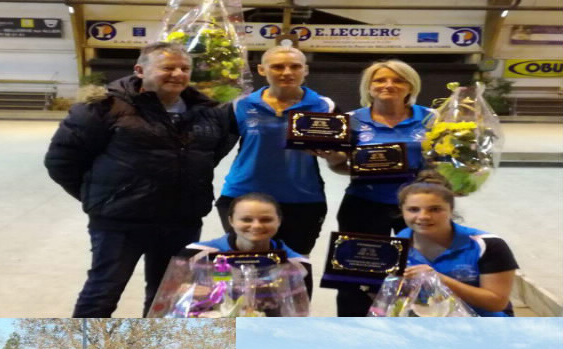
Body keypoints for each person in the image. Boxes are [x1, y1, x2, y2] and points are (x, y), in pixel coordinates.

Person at [44, 42, 237, 316]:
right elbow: (61, 161)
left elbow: (210, 154)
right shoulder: (103, 107)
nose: (178, 74)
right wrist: (104, 197)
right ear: (139, 70)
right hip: (120, 222)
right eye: (168, 67)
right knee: (103, 292)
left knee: (167, 297)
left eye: (184, 68)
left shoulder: (207, 111)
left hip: (181, 221)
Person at [323, 59, 432, 316]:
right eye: (380, 80)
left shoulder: (431, 118)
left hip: (419, 208)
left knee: (418, 271)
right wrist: (332, 158)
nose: (388, 85)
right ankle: (352, 328)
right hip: (364, 205)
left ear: (410, 86)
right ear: (369, 87)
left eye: (398, 80)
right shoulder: (350, 121)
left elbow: (442, 161)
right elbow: (341, 167)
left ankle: (414, 324)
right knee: (357, 275)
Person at [217, 45, 338, 255]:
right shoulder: (241, 105)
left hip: (302, 199)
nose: (287, 72)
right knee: (245, 264)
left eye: (295, 66)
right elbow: (212, 148)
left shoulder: (324, 106)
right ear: (262, 70)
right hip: (243, 195)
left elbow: (342, 155)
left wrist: (331, 155)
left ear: (305, 70)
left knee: (294, 267)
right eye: (278, 67)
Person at [396, 171, 518, 316]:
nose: (423, 217)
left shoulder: (487, 245)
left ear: (451, 210)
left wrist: (439, 280)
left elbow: (497, 303)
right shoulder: (399, 242)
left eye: (435, 209)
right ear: (402, 211)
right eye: (413, 210)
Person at [183, 193, 312, 294]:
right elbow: (169, 304)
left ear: (279, 221)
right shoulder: (196, 253)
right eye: (246, 219)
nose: (256, 226)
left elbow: (300, 314)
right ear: (231, 221)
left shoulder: (298, 264)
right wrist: (184, 294)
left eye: (266, 219)